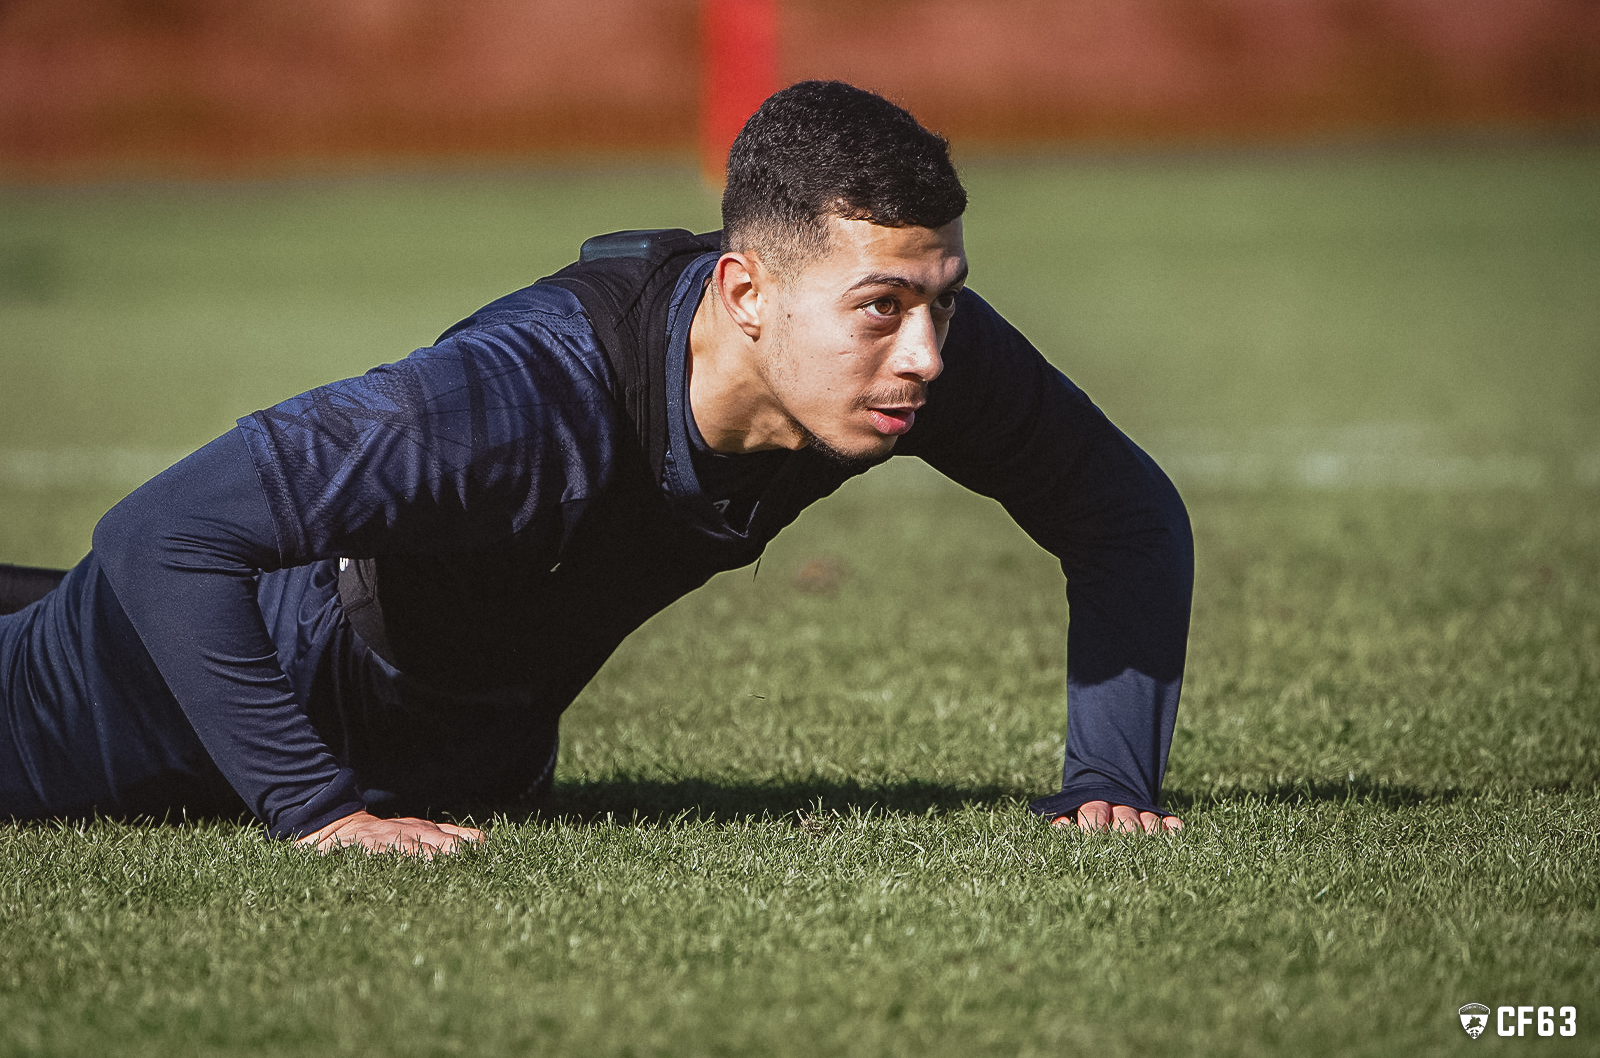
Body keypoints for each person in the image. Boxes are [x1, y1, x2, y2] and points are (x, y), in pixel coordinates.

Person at [0, 81, 1192, 855]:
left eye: (944, 301)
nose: (927, 354)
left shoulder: (902, 352)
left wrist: (1112, 775)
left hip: (457, 742)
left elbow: (1123, 512)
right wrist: (319, 812)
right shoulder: (517, 399)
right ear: (746, 294)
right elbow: (163, 536)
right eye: (882, 307)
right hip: (125, 697)